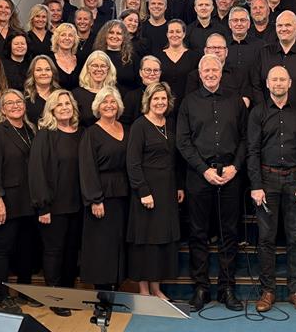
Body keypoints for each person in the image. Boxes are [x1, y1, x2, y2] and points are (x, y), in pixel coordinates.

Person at [177, 55, 248, 311]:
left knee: (229, 233)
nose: (210, 74)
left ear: (221, 72)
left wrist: (235, 167)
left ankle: (226, 288)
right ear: (199, 73)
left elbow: (245, 138)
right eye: (205, 70)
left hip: (230, 175)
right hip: (199, 176)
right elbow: (183, 141)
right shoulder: (188, 102)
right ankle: (201, 288)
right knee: (198, 233)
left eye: (214, 70)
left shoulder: (235, 100)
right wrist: (204, 170)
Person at [248, 66, 296, 313]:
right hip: (267, 180)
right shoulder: (258, 112)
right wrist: (256, 185)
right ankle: (268, 291)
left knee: (295, 236)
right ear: (267, 83)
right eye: (274, 79)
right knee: (266, 238)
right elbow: (252, 151)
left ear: (289, 83)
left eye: (282, 79)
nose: (278, 83)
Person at [126, 82, 185, 299]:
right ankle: (144, 291)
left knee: (161, 241)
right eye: (156, 99)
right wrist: (143, 191)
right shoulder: (139, 125)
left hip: (167, 191)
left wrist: (179, 186)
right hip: (147, 192)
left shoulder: (170, 124)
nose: (160, 102)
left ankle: (157, 288)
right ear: (148, 101)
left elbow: (175, 159)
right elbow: (132, 162)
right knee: (146, 242)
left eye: (163, 98)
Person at [29, 90, 84, 317]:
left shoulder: (81, 133)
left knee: (71, 252)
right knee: (54, 251)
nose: (64, 107)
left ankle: (68, 294)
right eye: (59, 104)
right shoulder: (45, 135)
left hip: (77, 205)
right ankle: (54, 297)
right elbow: (37, 172)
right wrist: (43, 206)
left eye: (67, 103)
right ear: (51, 110)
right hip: (53, 206)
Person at [0, 89, 36, 312]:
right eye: (10, 103)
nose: (15, 106)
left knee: (27, 246)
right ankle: (1, 295)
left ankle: (25, 290)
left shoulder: (31, 129)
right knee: (4, 248)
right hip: (7, 199)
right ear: (3, 109)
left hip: (29, 198)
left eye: (19, 102)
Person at [79, 86, 130, 290]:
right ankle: (102, 290)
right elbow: (87, 168)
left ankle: (117, 285)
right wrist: (95, 199)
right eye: (104, 102)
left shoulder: (126, 128)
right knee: (101, 244)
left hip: (124, 193)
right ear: (97, 107)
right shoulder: (91, 133)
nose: (109, 105)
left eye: (113, 101)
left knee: (119, 240)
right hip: (102, 195)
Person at [251, 10, 296, 110]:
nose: (283, 29)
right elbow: (255, 86)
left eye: (288, 25)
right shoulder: (263, 53)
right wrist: (264, 111)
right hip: (267, 115)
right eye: (280, 25)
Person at [185, 33, 252, 104]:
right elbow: (191, 103)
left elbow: (245, 101)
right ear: (205, 51)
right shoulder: (194, 76)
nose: (217, 51)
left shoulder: (239, 74)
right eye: (213, 47)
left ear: (226, 52)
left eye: (220, 47)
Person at [156, 19, 202, 104]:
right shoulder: (157, 57)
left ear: (184, 34)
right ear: (167, 34)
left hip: (188, 104)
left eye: (178, 31)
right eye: (171, 32)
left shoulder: (195, 57)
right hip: (163, 104)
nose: (174, 35)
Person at [93, 19, 141, 94]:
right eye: (111, 32)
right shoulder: (96, 55)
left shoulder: (132, 57)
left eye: (119, 33)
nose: (114, 36)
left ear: (124, 37)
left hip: (127, 98)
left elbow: (138, 83)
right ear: (105, 35)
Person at [73, 50, 118, 127]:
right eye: (95, 65)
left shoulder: (115, 93)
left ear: (108, 69)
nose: (99, 69)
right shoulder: (76, 94)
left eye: (103, 66)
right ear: (88, 68)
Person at [226, 7, 265, 91]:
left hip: (254, 94)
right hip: (226, 95)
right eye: (235, 20)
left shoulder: (261, 46)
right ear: (229, 24)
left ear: (248, 24)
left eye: (243, 20)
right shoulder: (222, 45)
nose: (239, 24)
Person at [120, 55, 163, 123]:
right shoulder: (131, 97)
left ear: (160, 73)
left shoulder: (166, 96)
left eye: (156, 70)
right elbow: (124, 124)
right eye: (148, 70)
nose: (152, 73)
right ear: (140, 73)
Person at [24, 54, 60, 125]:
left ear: (52, 73)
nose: (44, 73)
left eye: (47, 69)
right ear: (32, 74)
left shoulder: (61, 95)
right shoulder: (24, 98)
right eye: (39, 70)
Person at [51, 23, 81, 90]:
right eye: (63, 35)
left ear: (75, 40)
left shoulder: (81, 61)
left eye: (70, 35)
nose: (67, 38)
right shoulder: (49, 61)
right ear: (57, 39)